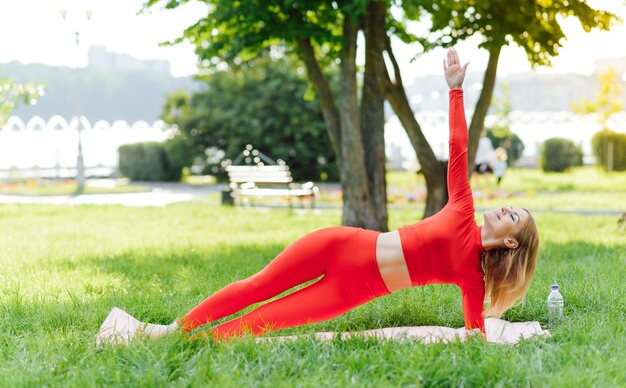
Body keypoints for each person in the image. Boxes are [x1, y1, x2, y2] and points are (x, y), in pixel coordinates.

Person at [97, 49, 540, 344]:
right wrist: (456, 89)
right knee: (256, 287)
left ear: (511, 241)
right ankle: (170, 332)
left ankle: (188, 345)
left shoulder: (472, 279)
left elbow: (474, 335)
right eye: (510, 206)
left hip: (352, 289)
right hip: (341, 243)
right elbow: (458, 147)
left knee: (258, 324)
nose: (504, 207)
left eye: (513, 215)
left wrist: (501, 328)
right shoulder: (462, 208)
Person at [473, 129, 496, 199]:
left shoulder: (486, 140)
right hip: (477, 160)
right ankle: (479, 191)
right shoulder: (475, 140)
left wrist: (491, 160)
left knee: (486, 175)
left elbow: (489, 151)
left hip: (484, 161)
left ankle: (489, 192)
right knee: (475, 175)